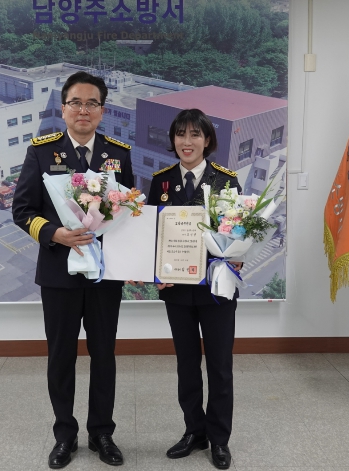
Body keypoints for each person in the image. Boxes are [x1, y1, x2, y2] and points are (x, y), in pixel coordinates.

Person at [12, 71, 134, 469]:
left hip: (104, 277)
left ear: (102, 110)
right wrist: (55, 233)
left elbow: (127, 213)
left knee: (104, 355)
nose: (84, 110)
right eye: (76, 103)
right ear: (63, 109)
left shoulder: (119, 154)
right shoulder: (41, 152)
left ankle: (102, 433)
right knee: (61, 356)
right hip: (58, 275)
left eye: (92, 103)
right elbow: (22, 210)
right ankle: (65, 434)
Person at [147, 109, 241, 470]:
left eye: (195, 135)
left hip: (216, 290)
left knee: (219, 366)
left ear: (207, 140)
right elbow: (153, 235)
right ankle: (194, 431)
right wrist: (155, 271)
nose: (187, 142)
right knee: (186, 364)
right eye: (180, 134)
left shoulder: (226, 181)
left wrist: (237, 256)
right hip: (177, 290)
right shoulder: (162, 181)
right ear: (173, 140)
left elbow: (238, 231)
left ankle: (219, 439)